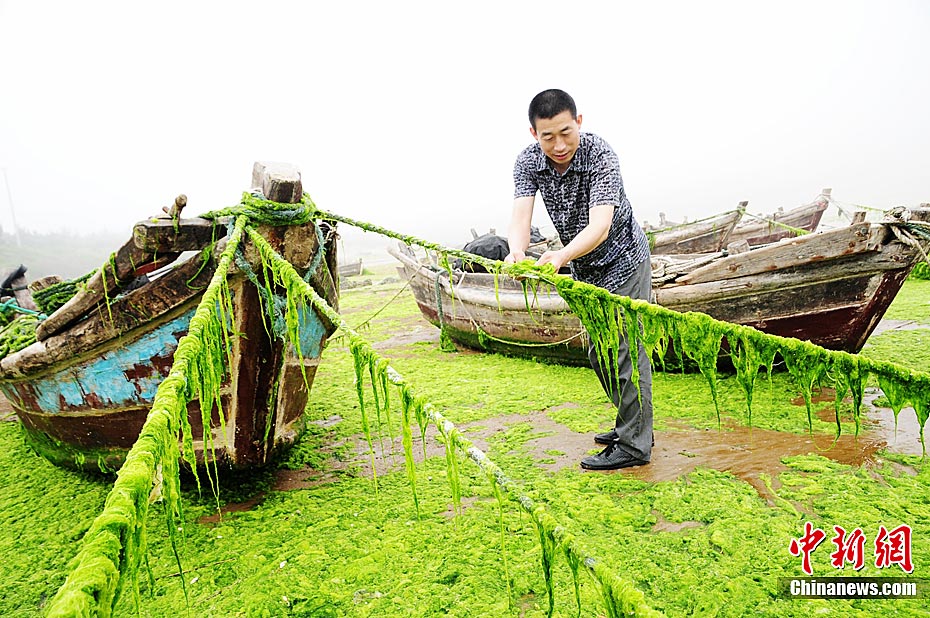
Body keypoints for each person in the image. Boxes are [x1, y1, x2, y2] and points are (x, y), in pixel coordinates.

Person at [505, 89, 653, 470]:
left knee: (625, 352)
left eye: (565, 132)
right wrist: (518, 252)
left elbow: (600, 225)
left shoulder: (599, 154)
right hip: (584, 271)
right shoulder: (527, 163)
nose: (558, 145)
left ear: (579, 123)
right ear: (533, 134)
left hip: (624, 260)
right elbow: (521, 217)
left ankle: (635, 447)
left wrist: (561, 255)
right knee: (598, 354)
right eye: (547, 136)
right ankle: (634, 425)